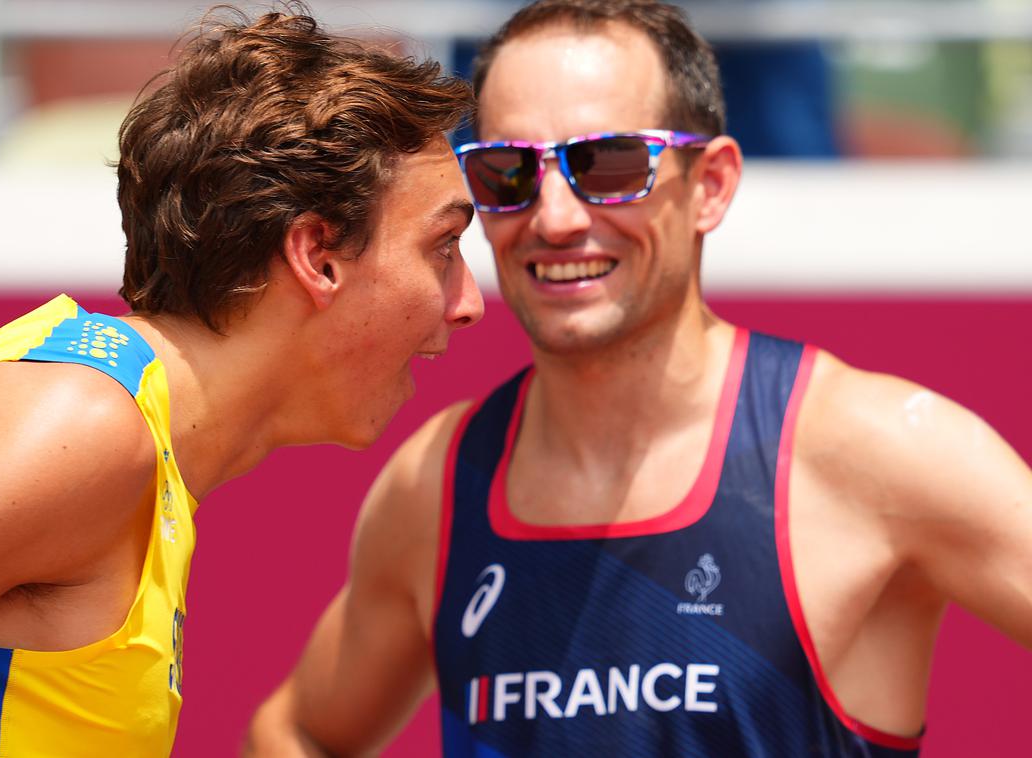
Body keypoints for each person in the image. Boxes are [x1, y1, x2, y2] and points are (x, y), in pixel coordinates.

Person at [245, 1, 1032, 756]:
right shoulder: (439, 486)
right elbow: (300, 733)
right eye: (507, 172)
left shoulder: (872, 452)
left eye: (608, 163)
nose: (554, 216)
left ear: (712, 185)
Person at [0, 6, 482, 756]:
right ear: (317, 255)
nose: (466, 303)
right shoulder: (75, 424)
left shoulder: (128, 442)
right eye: (443, 246)